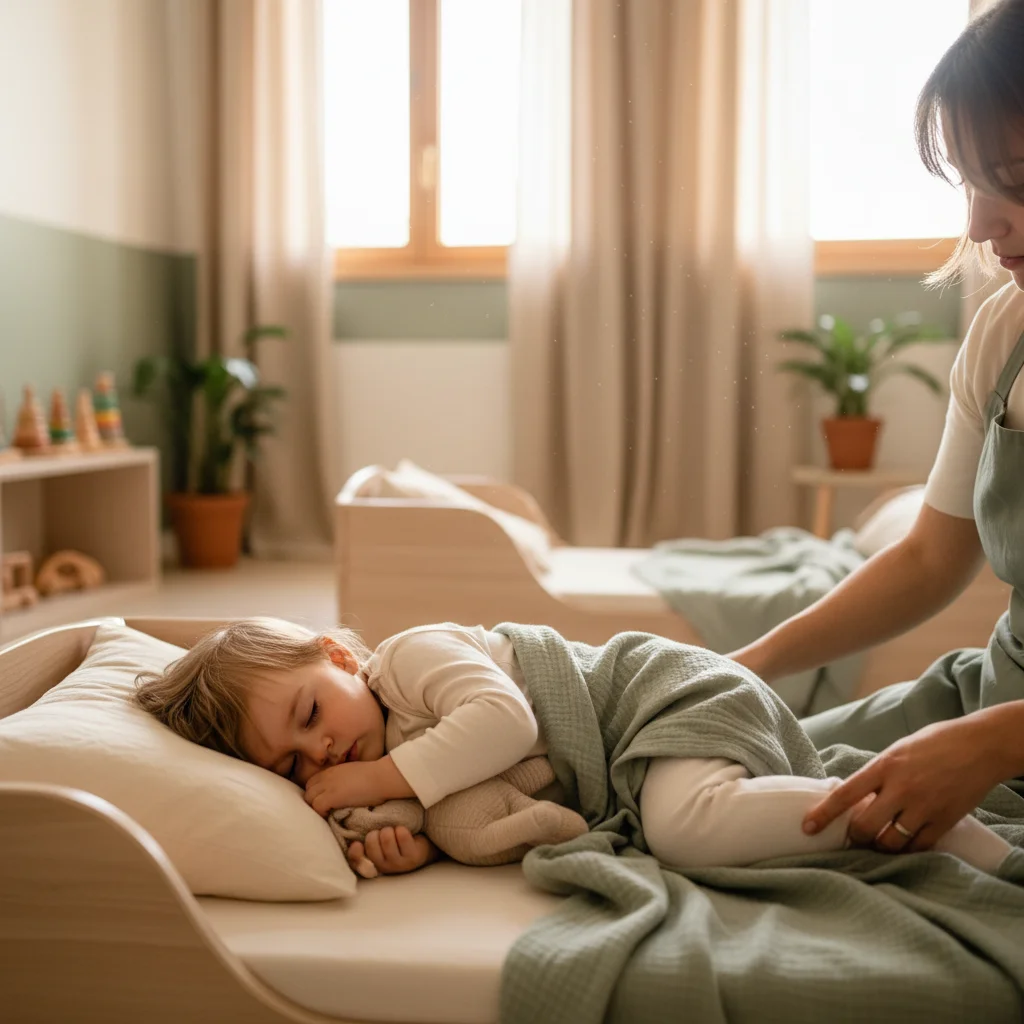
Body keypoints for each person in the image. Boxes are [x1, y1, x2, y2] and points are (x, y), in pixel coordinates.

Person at [729, 0, 1024, 858]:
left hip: (1001, 735)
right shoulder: (1004, 333)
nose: (980, 224)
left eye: (1016, 179)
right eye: (970, 182)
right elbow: (932, 559)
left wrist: (1002, 743)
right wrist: (744, 665)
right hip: (984, 699)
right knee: (734, 765)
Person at [132, 617, 1010, 877]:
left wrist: (387, 773)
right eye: (292, 763)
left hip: (657, 694)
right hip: (642, 745)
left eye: (311, 714)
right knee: (704, 827)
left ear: (336, 656)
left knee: (689, 831)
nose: (323, 753)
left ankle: (928, 819)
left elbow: (505, 723)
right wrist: (400, 838)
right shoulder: (378, 744)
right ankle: (881, 800)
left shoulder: (407, 660)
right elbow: (444, 801)